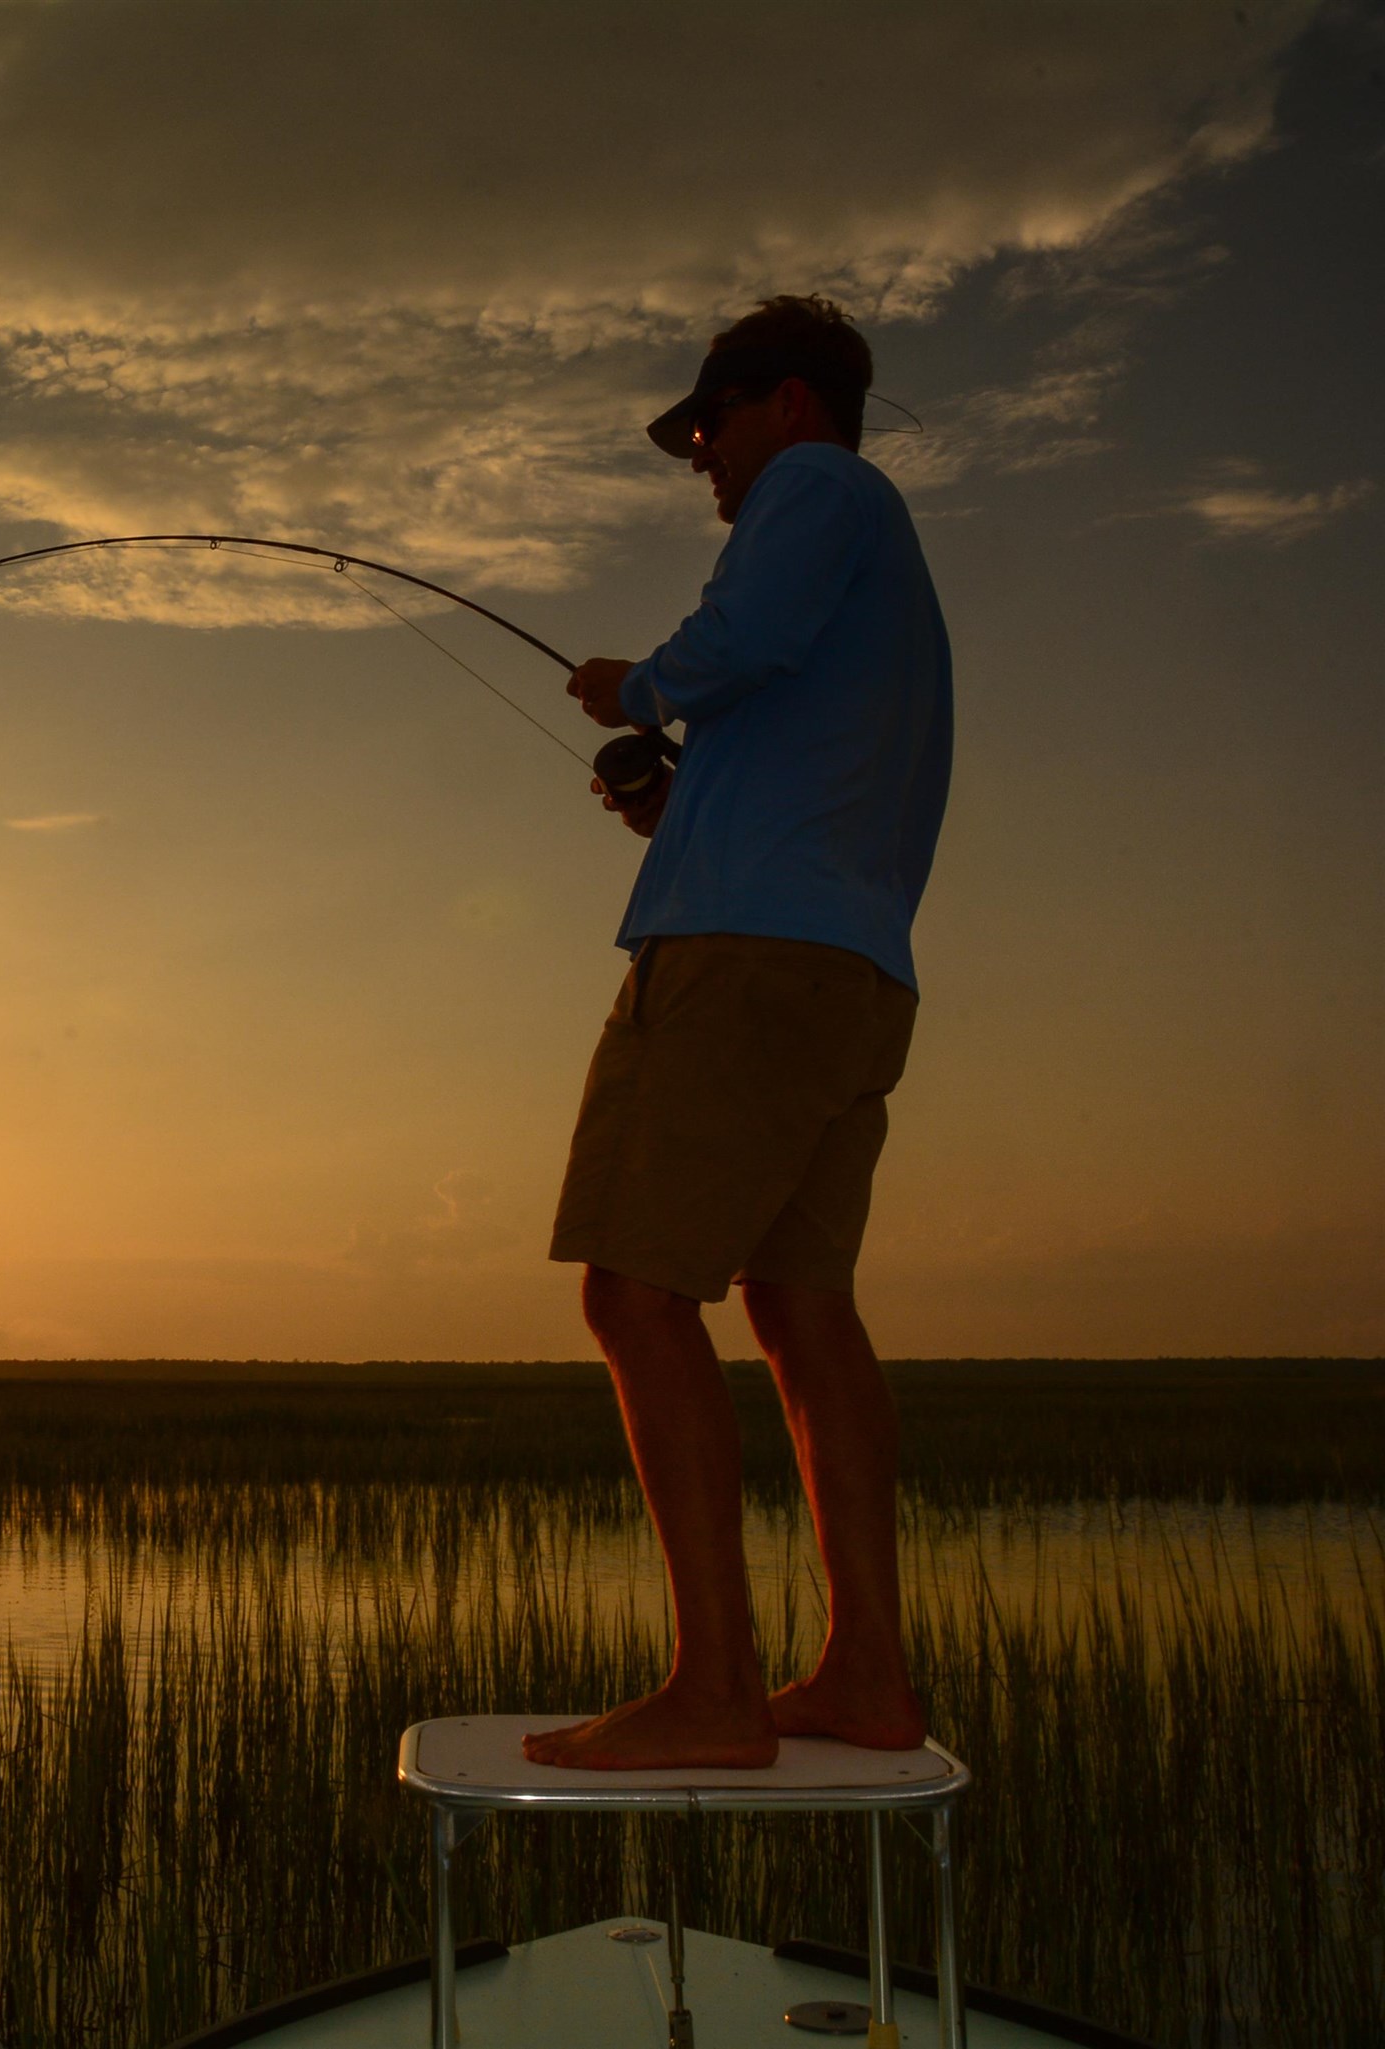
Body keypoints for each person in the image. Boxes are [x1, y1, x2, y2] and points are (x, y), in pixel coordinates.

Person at [528, 295, 951, 1770]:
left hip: (748, 962)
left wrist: (633, 688)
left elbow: (739, 637)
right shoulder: (877, 559)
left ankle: (716, 1688)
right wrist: (670, 797)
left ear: (784, 403)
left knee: (635, 1295)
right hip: (852, 972)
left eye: (708, 426)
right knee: (799, 1307)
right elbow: (794, 729)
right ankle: (865, 1680)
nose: (699, 457)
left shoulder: (822, 487)